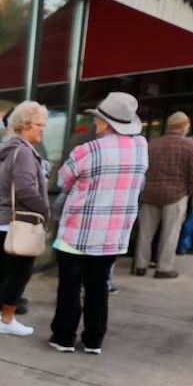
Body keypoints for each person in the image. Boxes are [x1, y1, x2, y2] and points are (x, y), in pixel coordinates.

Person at [50, 92, 148, 355]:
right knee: (99, 287)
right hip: (114, 234)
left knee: (69, 287)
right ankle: (94, 339)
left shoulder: (88, 150)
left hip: (78, 232)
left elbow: (63, 180)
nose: (95, 124)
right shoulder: (141, 148)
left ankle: (64, 337)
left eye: (99, 120)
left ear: (106, 123)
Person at [0, 101, 50, 337]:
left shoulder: (10, 149)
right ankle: (7, 319)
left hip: (3, 220)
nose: (42, 129)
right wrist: (45, 209)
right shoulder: (25, 152)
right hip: (18, 223)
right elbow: (26, 189)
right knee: (20, 273)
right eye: (39, 124)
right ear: (24, 124)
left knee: (0, 269)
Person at [133, 111, 193, 279]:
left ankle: (140, 266)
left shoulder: (151, 145)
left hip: (149, 194)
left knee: (145, 233)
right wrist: (191, 191)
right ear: (184, 128)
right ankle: (163, 268)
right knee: (170, 233)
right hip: (176, 195)